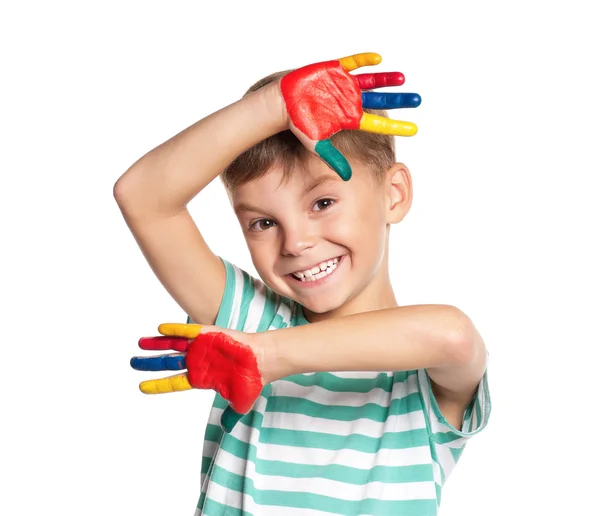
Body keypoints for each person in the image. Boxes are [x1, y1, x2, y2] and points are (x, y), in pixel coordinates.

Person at [114, 53, 491, 516]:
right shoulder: (252, 320)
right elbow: (142, 197)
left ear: (393, 195)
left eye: (323, 202)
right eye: (263, 222)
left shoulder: (418, 376)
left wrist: (266, 356)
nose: (295, 242)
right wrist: (272, 107)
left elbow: (451, 337)